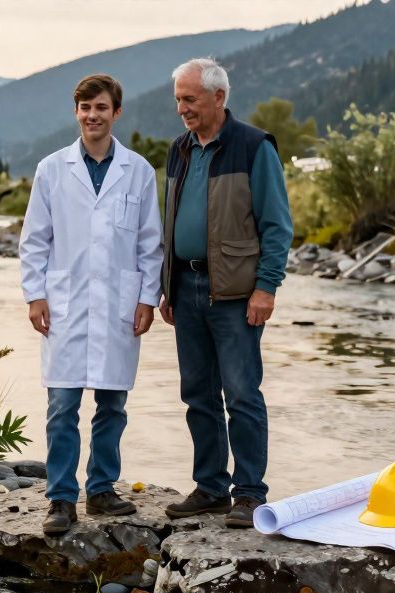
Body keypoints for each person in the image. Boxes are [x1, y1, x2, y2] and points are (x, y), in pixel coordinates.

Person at [19, 74, 164, 536]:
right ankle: (61, 498)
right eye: (84, 107)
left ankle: (101, 489)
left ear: (116, 112)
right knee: (62, 405)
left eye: (101, 107)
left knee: (112, 404)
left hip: (120, 305)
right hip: (64, 303)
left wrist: (146, 297)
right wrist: (35, 294)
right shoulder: (52, 169)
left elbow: (150, 244)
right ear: (76, 112)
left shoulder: (137, 171)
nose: (92, 115)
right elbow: (34, 240)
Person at [159, 58, 293, 528]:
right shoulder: (178, 149)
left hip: (237, 294)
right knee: (197, 393)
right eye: (177, 99)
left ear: (219, 97)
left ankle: (250, 493)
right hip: (186, 285)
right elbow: (171, 221)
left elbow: (277, 225)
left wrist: (266, 288)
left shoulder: (255, 147)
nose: (182, 108)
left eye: (189, 99)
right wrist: (166, 286)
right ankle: (211, 487)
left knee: (240, 393)